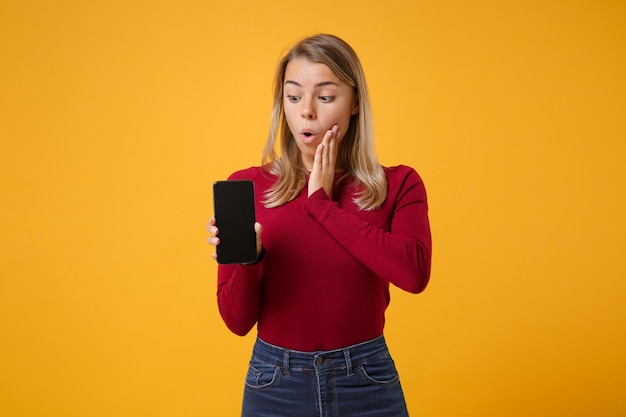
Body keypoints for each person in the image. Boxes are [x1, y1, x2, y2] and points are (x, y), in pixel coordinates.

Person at [207, 33, 431, 417]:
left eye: (325, 97)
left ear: (355, 101)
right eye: (294, 97)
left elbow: (414, 274)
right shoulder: (250, 187)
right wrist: (249, 261)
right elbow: (236, 322)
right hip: (274, 384)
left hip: (366, 380)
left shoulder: (399, 183)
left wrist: (323, 206)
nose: (306, 112)